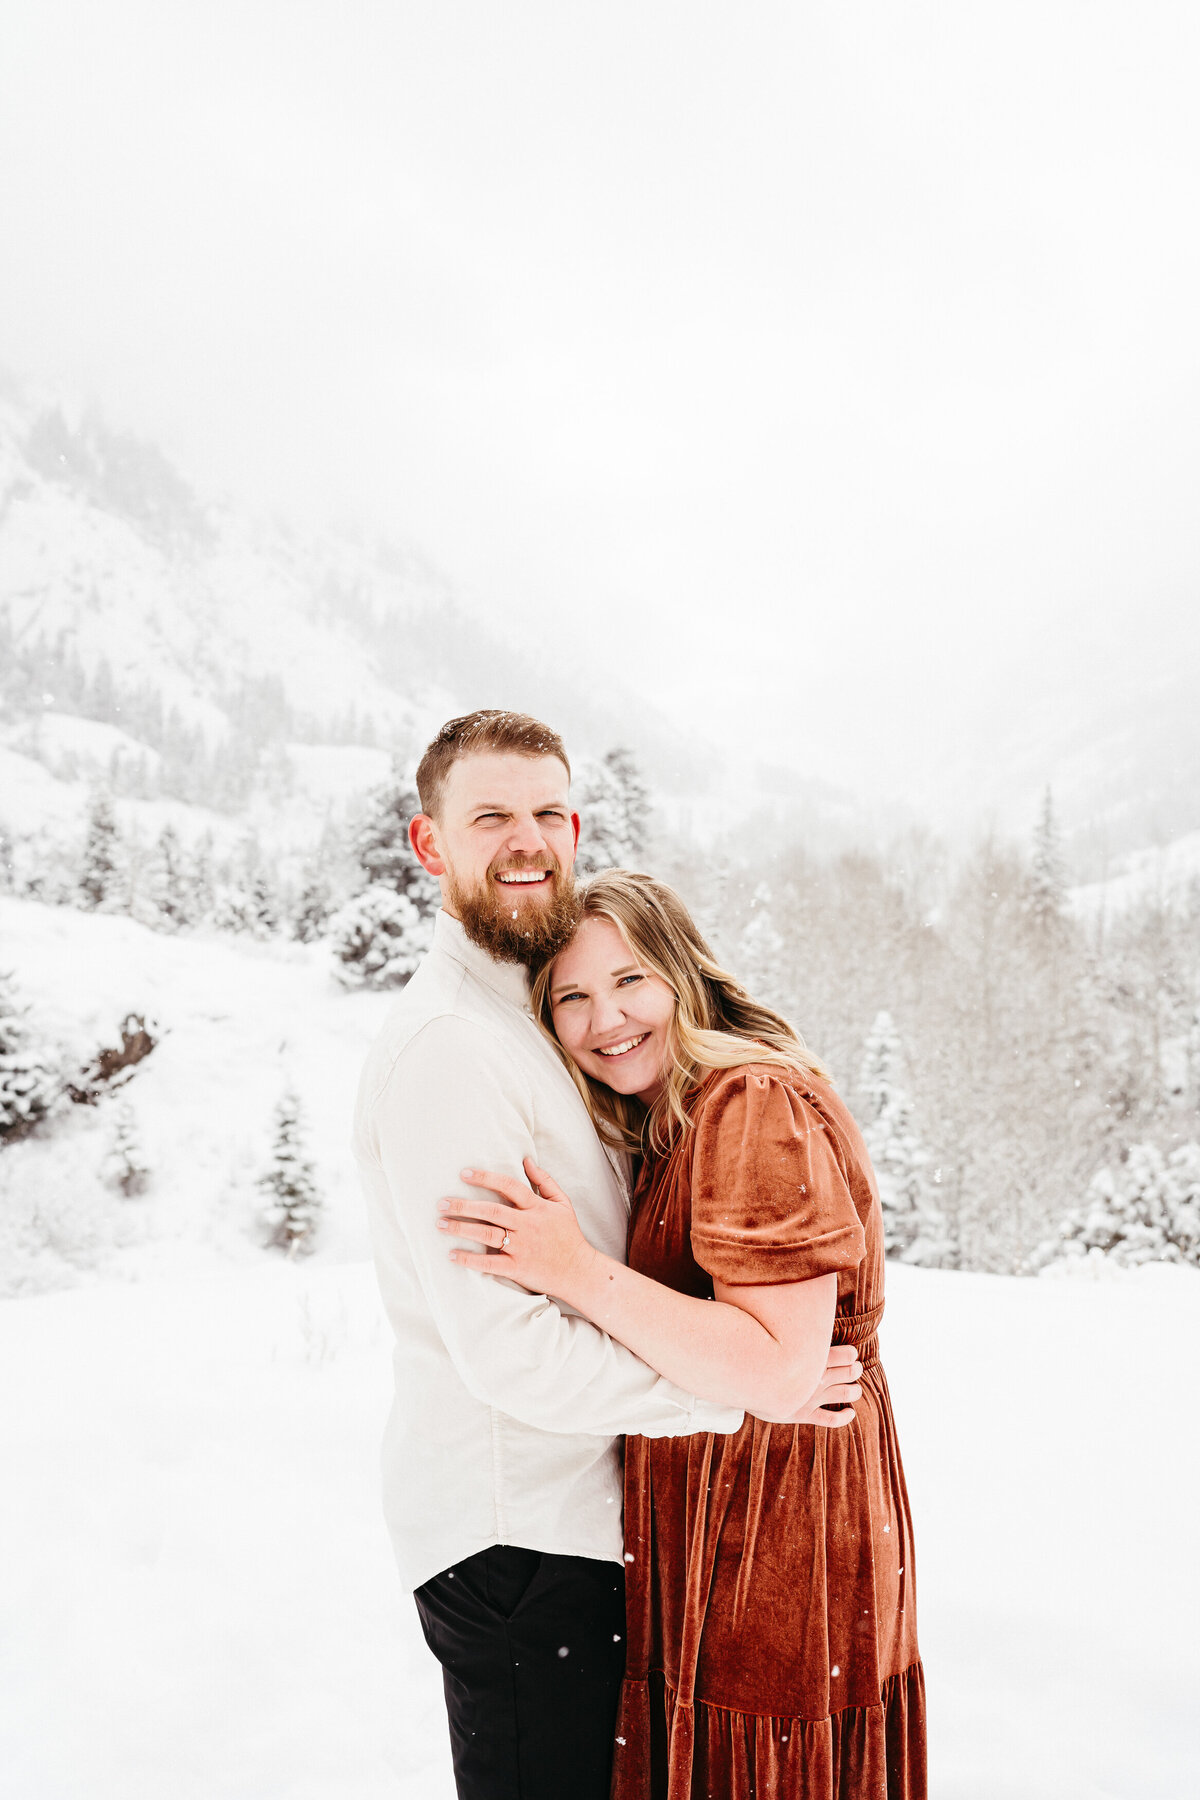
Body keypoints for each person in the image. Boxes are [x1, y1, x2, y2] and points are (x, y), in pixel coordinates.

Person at [354, 712, 861, 1800]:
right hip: (518, 1539)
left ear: (576, 827)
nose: (526, 839)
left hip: (575, 1530)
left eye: (546, 812)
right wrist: (743, 1390)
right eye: (490, 816)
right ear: (430, 844)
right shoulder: (453, 1048)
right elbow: (512, 1356)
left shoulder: (527, 1018)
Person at [440, 868, 926, 1800]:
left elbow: (782, 1369)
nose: (604, 1019)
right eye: (570, 998)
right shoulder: (683, 1115)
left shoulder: (749, 1103)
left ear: (682, 972)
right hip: (737, 1511)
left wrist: (573, 1268)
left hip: (778, 1521)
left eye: (629, 981)